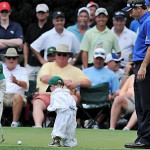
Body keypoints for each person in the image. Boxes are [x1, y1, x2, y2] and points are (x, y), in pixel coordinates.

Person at [32, 44, 91, 127]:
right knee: (37, 102)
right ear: (55, 55)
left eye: (64, 54)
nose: (61, 56)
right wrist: (64, 82)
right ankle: (38, 126)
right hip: (47, 95)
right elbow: (44, 78)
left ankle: (67, 126)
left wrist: (77, 83)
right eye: (59, 54)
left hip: (66, 95)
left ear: (69, 56)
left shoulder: (75, 70)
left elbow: (88, 82)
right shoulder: (47, 65)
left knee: (73, 99)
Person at [122, 0, 150, 148]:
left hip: (146, 66)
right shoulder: (143, 22)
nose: (130, 15)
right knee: (140, 104)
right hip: (140, 65)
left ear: (139, 8)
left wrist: (144, 66)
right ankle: (142, 137)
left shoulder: (149, 21)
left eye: (131, 11)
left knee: (146, 104)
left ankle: (146, 139)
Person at [81, 48, 120, 129]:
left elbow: (116, 92)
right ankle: (80, 123)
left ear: (104, 59)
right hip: (85, 103)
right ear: (93, 58)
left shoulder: (111, 74)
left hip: (103, 104)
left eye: (101, 59)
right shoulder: (84, 72)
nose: (98, 61)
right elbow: (78, 90)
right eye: (97, 58)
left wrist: (111, 96)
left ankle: (96, 123)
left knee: (110, 104)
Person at [23, 3, 53, 80]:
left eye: (43, 12)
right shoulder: (31, 27)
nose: (41, 14)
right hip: (31, 64)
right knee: (29, 87)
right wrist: (26, 61)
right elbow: (26, 44)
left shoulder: (52, 28)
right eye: (39, 12)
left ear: (47, 14)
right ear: (36, 14)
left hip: (46, 64)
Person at [1, 48, 29, 127]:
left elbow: (26, 86)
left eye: (13, 58)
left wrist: (17, 82)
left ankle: (14, 123)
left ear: (17, 59)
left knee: (17, 96)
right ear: (5, 59)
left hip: (17, 95)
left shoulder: (23, 70)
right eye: (9, 58)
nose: (11, 60)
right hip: (2, 94)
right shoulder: (0, 68)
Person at [46, 76, 77, 147]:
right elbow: (73, 104)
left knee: (59, 127)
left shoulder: (55, 94)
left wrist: (51, 109)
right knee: (70, 128)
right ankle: (69, 143)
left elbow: (54, 106)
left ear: (52, 87)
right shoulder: (68, 95)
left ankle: (56, 141)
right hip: (72, 112)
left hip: (63, 112)